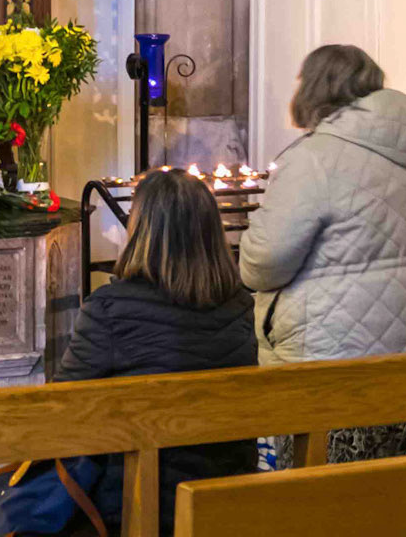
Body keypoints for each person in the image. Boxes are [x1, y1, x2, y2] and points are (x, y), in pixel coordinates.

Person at [238, 44, 406, 464]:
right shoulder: (403, 156)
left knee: (322, 492)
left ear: (314, 88)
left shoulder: (315, 158)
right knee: (396, 486)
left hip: (332, 359)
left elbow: (263, 263)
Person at [54, 169, 257, 534]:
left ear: (141, 231)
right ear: (211, 233)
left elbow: (57, 412)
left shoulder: (109, 310)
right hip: (227, 498)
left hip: (137, 508)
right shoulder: (239, 305)